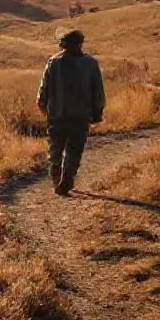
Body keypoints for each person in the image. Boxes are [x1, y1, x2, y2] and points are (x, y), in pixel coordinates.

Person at [36, 28, 105, 195]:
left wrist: (43, 106)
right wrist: (97, 112)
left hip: (56, 115)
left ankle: (56, 175)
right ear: (80, 44)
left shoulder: (53, 62)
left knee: (55, 148)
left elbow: (43, 90)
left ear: (64, 45)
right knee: (74, 149)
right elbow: (98, 91)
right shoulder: (90, 63)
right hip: (80, 116)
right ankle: (67, 177)